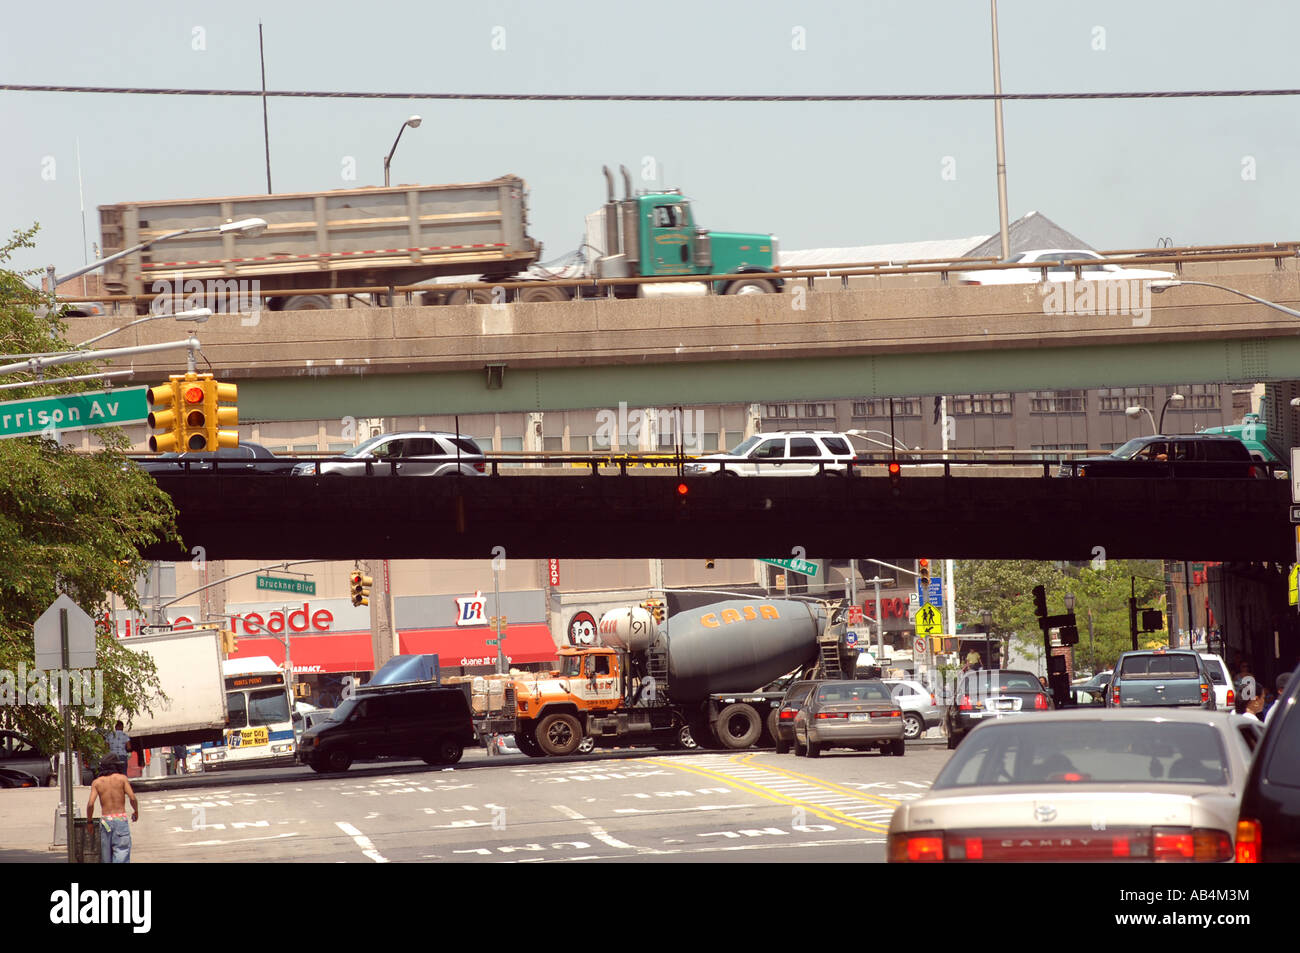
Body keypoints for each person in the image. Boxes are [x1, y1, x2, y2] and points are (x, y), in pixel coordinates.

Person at [86, 759, 139, 864]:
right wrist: (135, 811)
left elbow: (90, 804)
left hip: (106, 821)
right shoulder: (122, 779)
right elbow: (132, 797)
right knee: (121, 852)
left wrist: (90, 822)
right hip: (120, 820)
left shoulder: (97, 783)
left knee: (106, 856)